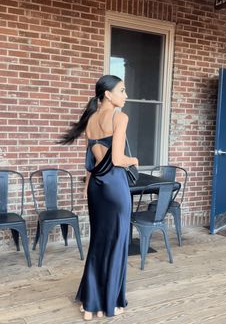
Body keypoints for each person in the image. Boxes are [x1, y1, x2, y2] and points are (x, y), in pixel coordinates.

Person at [58, 75, 138, 321]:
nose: (125, 95)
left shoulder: (91, 120)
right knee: (117, 243)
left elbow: (91, 162)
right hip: (115, 187)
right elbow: (116, 160)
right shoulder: (120, 117)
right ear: (108, 94)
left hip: (97, 189)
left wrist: (87, 187)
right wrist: (134, 160)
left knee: (98, 242)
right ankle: (109, 303)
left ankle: (90, 302)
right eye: (122, 90)